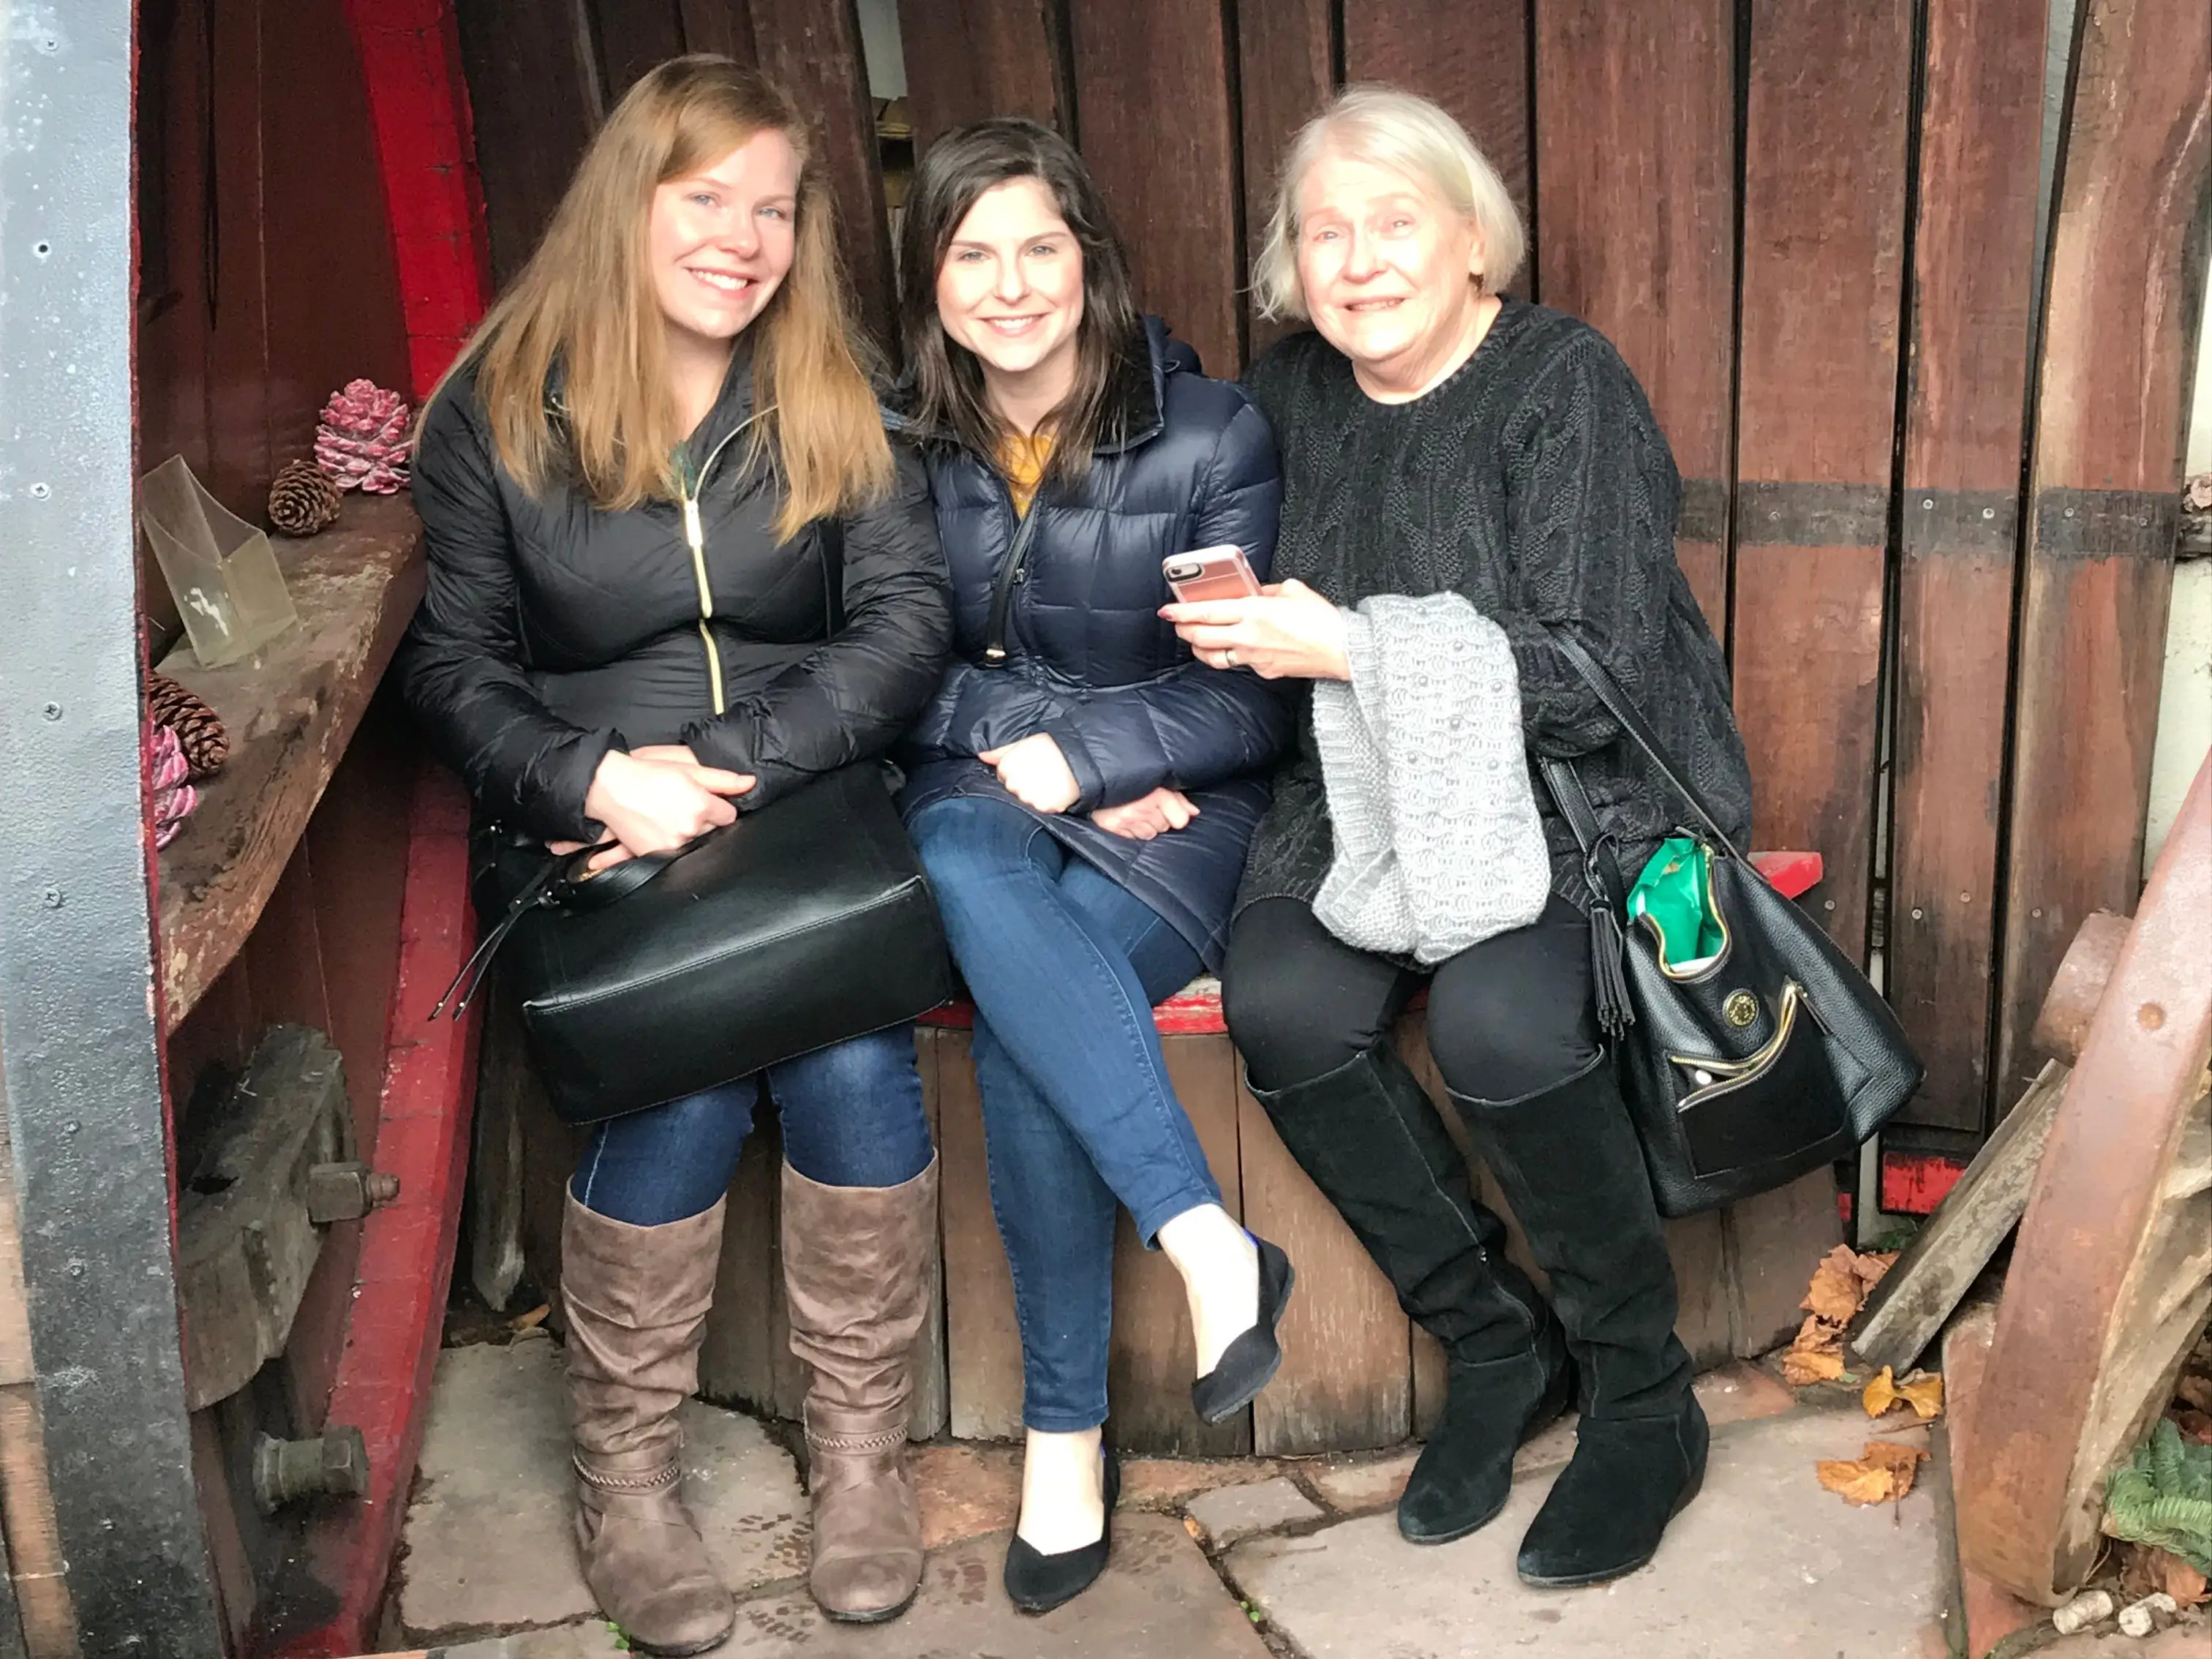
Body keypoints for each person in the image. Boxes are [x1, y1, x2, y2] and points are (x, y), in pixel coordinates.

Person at [1167, 86, 1755, 1590]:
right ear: (1293, 268)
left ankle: (1642, 1395)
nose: (1359, 261)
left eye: (1395, 222)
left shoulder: (1563, 383)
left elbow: (1596, 671)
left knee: (1500, 1022)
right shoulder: (1287, 392)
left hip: (1573, 796)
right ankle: (1501, 1347)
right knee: (1283, 1002)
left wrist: (1352, 647)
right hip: (1357, 800)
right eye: (1325, 233)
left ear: (1472, 237)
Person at [400, 58, 953, 1651]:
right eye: (705, 199)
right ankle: (626, 1484)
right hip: (604, 839)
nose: (743, 238)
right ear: (627, 202)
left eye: (773, 209)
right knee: (685, 1080)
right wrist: (594, 777)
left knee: (852, 1065)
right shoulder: (501, 410)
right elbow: (452, 671)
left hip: (804, 805)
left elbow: (908, 620)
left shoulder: (830, 390)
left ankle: (860, 1464)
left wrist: (730, 762)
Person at [893, 118, 1297, 1613]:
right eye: (971, 253)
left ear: (1091, 262)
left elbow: (1249, 695)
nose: (1009, 287)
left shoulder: (1209, 436)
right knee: (955, 839)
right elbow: (888, 674)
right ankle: (1209, 1244)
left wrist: (1108, 765)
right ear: (931, 280)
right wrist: (1059, 757)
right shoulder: (898, 444)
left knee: (1021, 1034)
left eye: (1038, 249)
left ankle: (1062, 1439)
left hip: (1181, 817)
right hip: (993, 800)